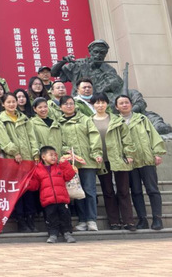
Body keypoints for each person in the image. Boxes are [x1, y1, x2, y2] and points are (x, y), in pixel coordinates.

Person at [116, 95, 166, 230]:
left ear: (131, 105)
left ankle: (157, 219)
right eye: (121, 103)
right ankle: (142, 219)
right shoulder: (116, 122)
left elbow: (153, 136)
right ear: (116, 107)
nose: (124, 105)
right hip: (130, 162)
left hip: (146, 159)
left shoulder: (142, 119)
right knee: (136, 191)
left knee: (152, 189)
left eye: (126, 102)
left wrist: (157, 153)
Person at [0, 92, 39, 232]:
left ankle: (31, 219)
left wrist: (35, 154)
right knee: (16, 191)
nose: (12, 104)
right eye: (8, 102)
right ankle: (21, 221)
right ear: (3, 104)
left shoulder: (24, 119)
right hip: (12, 160)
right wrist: (15, 152)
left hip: (28, 159)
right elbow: (3, 140)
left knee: (29, 190)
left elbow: (32, 137)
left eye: (13, 101)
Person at [91, 93, 136, 231]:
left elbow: (126, 138)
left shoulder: (116, 120)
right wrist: (95, 154)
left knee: (123, 190)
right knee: (108, 191)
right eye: (97, 103)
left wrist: (129, 154)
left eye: (103, 102)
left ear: (107, 104)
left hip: (118, 158)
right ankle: (114, 221)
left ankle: (129, 221)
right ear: (93, 105)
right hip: (101, 161)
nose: (100, 105)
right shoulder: (89, 121)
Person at [58, 95, 102, 232]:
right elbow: (59, 141)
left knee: (89, 190)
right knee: (77, 191)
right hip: (72, 163)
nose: (69, 106)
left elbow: (94, 136)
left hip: (88, 161)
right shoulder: (59, 123)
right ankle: (82, 220)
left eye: (71, 103)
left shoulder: (85, 119)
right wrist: (66, 150)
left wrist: (96, 152)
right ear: (60, 107)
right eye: (66, 104)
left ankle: (91, 219)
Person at [26, 146, 77, 243]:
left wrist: (65, 164)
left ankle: (67, 233)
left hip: (62, 198)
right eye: (51, 155)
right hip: (48, 200)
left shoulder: (59, 167)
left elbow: (69, 176)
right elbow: (35, 185)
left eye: (55, 155)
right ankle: (53, 234)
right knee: (51, 217)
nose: (54, 157)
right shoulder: (38, 169)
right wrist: (27, 183)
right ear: (43, 157)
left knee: (65, 216)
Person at [51, 39, 123, 102]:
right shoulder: (78, 64)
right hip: (78, 101)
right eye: (96, 52)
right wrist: (63, 61)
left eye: (102, 53)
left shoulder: (109, 70)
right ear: (90, 52)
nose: (98, 55)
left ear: (105, 54)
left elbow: (117, 90)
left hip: (100, 103)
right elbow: (53, 73)